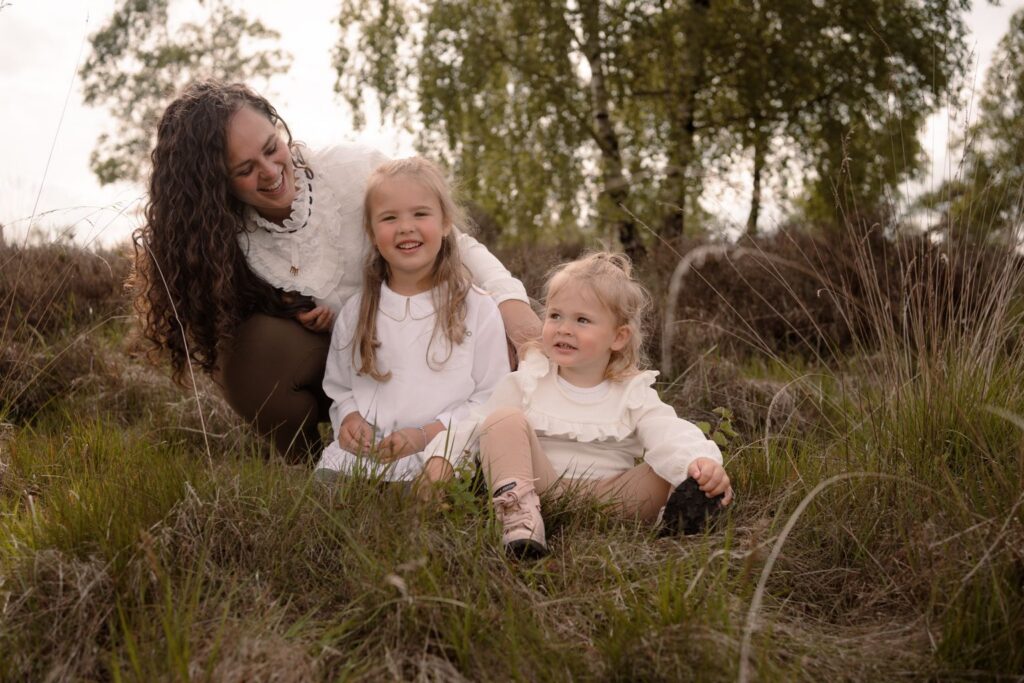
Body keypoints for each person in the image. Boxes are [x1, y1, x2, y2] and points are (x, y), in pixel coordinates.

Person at [133, 81, 539, 461]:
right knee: (247, 354)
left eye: (272, 148)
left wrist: (512, 307)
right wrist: (305, 317)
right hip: (361, 364)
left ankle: (499, 453)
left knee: (525, 347)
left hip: (441, 340)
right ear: (218, 184)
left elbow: (453, 246)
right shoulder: (225, 243)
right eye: (245, 170)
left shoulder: (352, 170)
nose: (271, 172)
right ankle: (313, 461)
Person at [421, 253, 734, 557]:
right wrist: (443, 459)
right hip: (539, 487)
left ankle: (685, 511)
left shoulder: (631, 391)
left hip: (613, 496)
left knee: (667, 471)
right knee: (501, 420)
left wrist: (700, 462)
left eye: (582, 320)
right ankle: (520, 519)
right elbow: (476, 423)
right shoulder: (531, 379)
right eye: (555, 315)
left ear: (618, 337)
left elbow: (669, 432)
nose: (564, 328)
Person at [314, 157, 509, 485]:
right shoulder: (357, 311)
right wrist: (350, 417)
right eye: (389, 218)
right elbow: (341, 387)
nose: (405, 227)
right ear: (372, 232)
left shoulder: (476, 307)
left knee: (435, 479)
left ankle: (421, 496)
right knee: (328, 487)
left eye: (420, 214)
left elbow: (490, 396)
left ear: (446, 223)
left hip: (443, 444)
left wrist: (425, 434)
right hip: (372, 451)